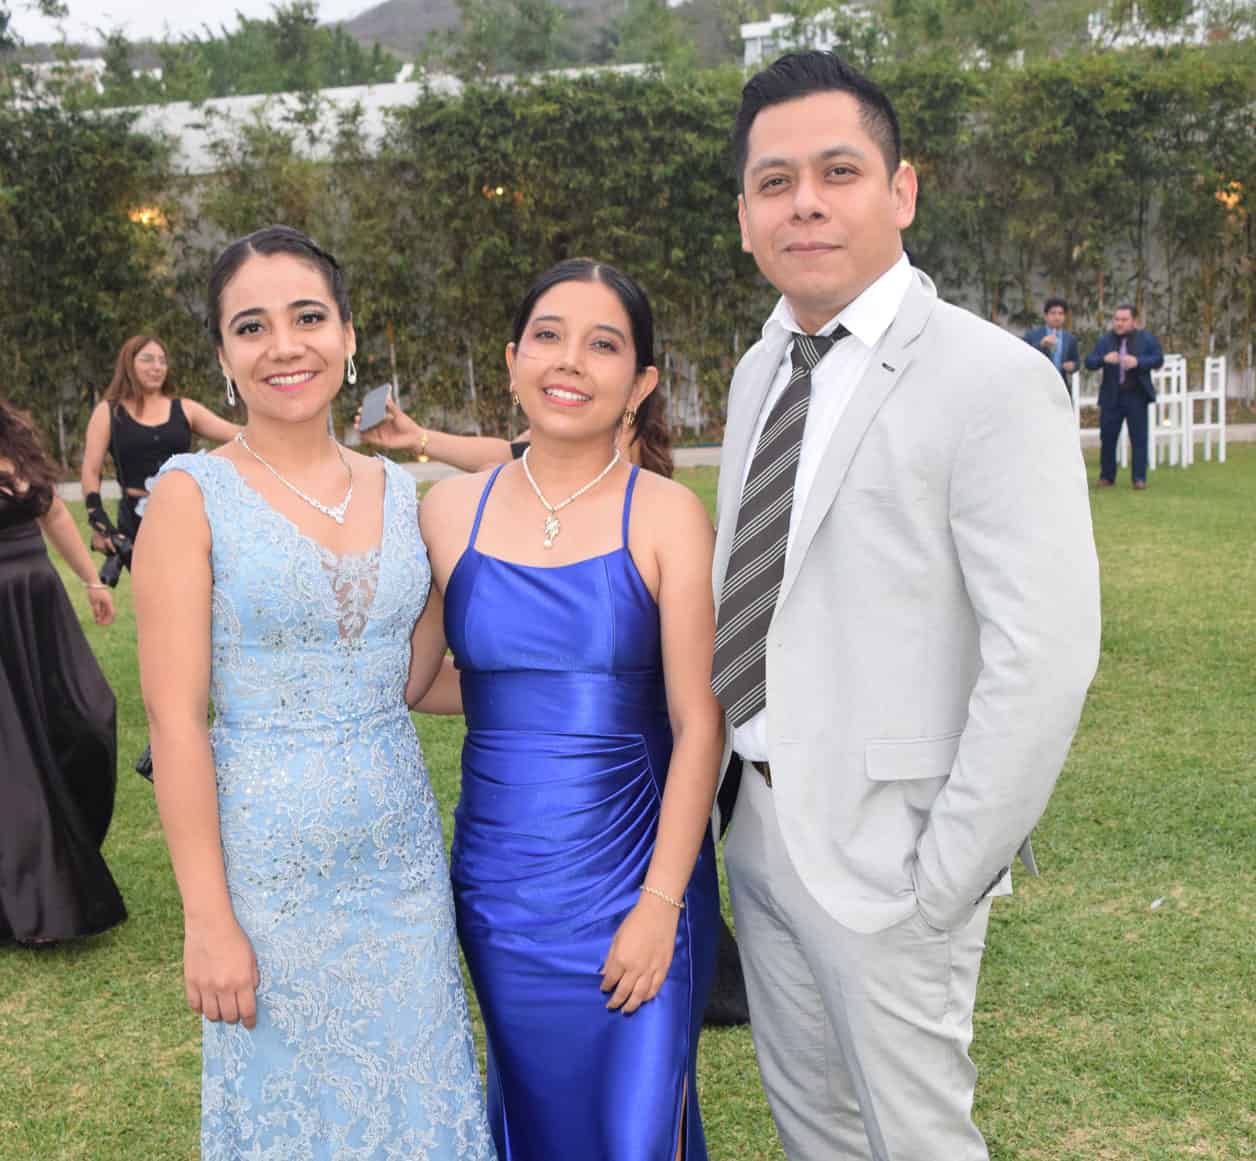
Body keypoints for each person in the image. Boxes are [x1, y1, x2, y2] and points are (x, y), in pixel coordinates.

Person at [711, 52, 1101, 1161]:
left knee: (918, 1140)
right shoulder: (757, 370)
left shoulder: (992, 379)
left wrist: (945, 878)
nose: (805, 203)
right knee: (814, 1134)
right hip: (756, 829)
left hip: (895, 860)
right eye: (775, 181)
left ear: (902, 190)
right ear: (743, 217)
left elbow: (1044, 654)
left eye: (837, 171)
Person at [132, 226, 494, 1160]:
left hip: (401, 868)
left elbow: (410, 678)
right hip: (267, 878)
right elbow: (176, 720)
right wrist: (208, 917)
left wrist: (571, 696)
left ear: (348, 335)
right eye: (251, 327)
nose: (283, 345)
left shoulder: (402, 493)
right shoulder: (191, 495)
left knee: (419, 1104)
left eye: (307, 317)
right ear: (222, 357)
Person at [417, 258, 723, 1160]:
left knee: (637, 1130)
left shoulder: (668, 515)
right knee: (536, 1119)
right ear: (512, 358)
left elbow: (699, 722)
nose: (570, 361)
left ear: (642, 382)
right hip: (501, 887)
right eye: (548, 336)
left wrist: (660, 904)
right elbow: (419, 681)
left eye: (603, 344)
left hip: (637, 874)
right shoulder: (446, 511)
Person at [0, 400, 125, 946]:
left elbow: (52, 514)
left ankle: (69, 850)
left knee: (90, 717)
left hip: (40, 603)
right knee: (14, 756)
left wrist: (92, 581)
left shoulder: (17, 438)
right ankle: (35, 892)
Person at [81, 334, 238, 583]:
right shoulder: (109, 412)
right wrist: (99, 521)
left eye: (162, 361)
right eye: (147, 359)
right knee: (156, 591)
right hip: (137, 522)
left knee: (197, 587)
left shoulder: (184, 408)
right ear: (129, 363)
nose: (156, 367)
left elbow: (237, 435)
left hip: (186, 515)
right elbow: (91, 470)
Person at [1084, 303, 1164, 489]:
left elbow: (1158, 359)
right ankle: (1107, 477)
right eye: (1116, 319)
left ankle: (1139, 478)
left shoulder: (1146, 339)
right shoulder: (1105, 340)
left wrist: (1138, 362)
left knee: (1139, 438)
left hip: (1136, 395)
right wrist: (1103, 359)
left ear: (1134, 321)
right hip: (1112, 396)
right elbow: (1089, 362)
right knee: (1108, 438)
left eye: (1124, 320)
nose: (1119, 323)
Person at [1022, 296, 1080, 394]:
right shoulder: (1032, 335)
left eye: (1060, 313)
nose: (1057, 317)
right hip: (1037, 387)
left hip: (1061, 387)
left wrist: (1073, 366)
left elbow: (1076, 362)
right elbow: (1023, 357)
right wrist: (1041, 344)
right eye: (1053, 313)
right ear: (1046, 316)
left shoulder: (1070, 339)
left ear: (1065, 317)